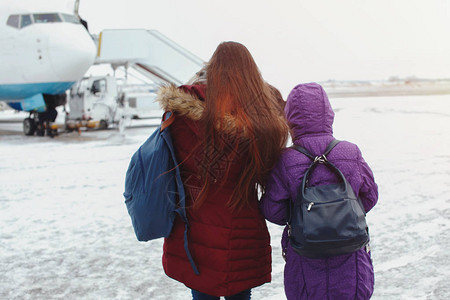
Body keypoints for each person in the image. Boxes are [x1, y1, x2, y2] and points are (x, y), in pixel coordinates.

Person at [155, 41, 289, 299]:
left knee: (202, 291)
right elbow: (270, 172)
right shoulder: (260, 119)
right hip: (242, 229)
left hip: (196, 228)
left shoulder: (184, 111)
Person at [260, 83, 378, 300]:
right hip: (351, 260)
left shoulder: (285, 159)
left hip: (305, 262)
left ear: (290, 117)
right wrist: (343, 216)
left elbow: (272, 211)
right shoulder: (350, 151)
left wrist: (304, 217)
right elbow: (370, 197)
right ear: (328, 113)